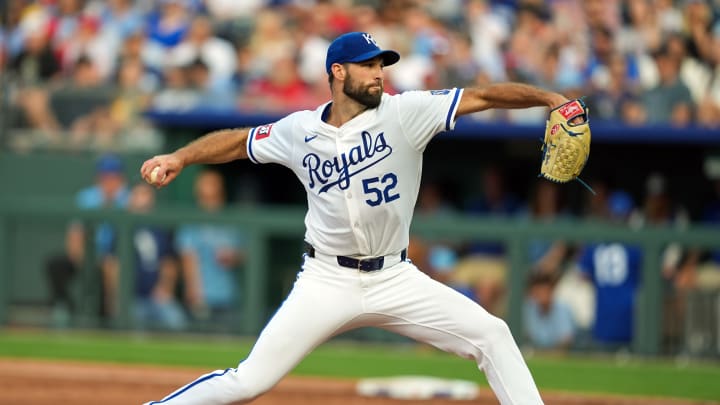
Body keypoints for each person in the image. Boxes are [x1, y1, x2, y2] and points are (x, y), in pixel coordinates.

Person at [140, 31, 572, 405]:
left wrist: (550, 99)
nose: (379, 72)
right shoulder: (299, 130)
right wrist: (179, 156)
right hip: (326, 279)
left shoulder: (406, 113)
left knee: (492, 334)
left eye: (381, 64)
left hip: (395, 278)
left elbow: (484, 96)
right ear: (338, 72)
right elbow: (238, 142)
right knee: (249, 382)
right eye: (367, 65)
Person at [175, 169, 245, 325]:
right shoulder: (192, 222)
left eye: (213, 197)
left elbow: (245, 253)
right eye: (204, 197)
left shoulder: (231, 221)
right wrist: (194, 292)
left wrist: (234, 256)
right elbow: (188, 257)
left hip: (228, 296)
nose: (208, 202)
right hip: (202, 298)